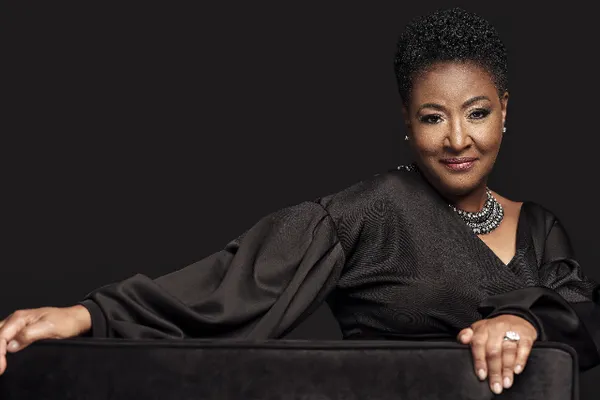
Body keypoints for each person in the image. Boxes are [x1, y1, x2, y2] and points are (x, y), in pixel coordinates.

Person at [1, 7, 598, 396]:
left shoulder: (539, 226)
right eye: (433, 117)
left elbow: (582, 319)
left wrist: (523, 320)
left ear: (504, 111)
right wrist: (88, 316)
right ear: (407, 123)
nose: (458, 139)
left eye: (477, 113)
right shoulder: (375, 208)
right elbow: (233, 285)